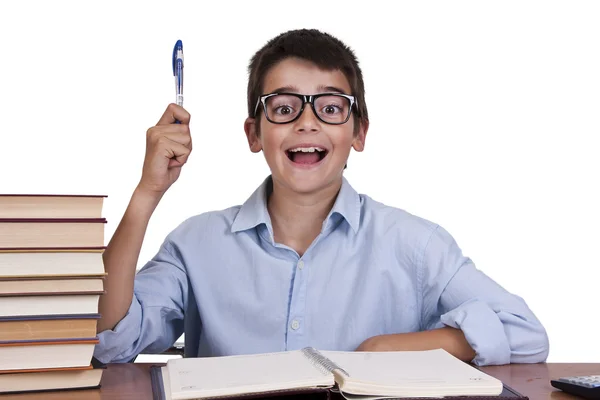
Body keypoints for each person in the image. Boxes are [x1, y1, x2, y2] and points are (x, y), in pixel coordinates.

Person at [94, 29, 549, 366]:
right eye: (285, 107)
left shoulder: (413, 245)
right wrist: (146, 193)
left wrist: (385, 348)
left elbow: (525, 333)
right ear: (255, 134)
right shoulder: (195, 243)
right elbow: (110, 342)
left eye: (331, 108)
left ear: (359, 133)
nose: (307, 123)